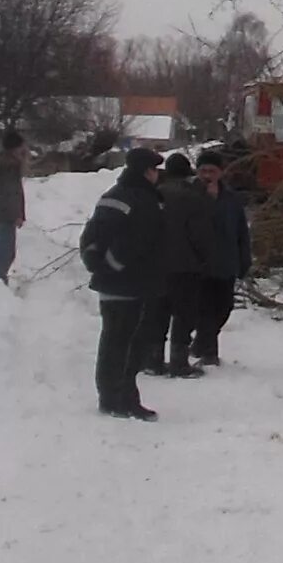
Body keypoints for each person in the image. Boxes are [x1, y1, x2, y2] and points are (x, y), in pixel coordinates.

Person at [78, 146, 167, 420]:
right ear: (146, 171)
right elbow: (137, 242)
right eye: (154, 170)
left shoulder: (112, 195)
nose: (157, 175)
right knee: (127, 344)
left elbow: (91, 236)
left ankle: (112, 397)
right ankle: (122, 399)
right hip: (132, 282)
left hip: (111, 282)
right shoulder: (144, 200)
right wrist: (116, 266)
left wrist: (99, 265)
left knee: (113, 340)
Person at [144, 151, 214, 376]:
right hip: (186, 266)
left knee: (158, 312)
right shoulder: (193, 198)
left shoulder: (153, 195)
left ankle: (153, 359)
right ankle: (179, 361)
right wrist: (204, 258)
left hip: (157, 266)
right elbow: (200, 235)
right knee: (184, 314)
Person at [189, 148, 251, 366]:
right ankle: (209, 353)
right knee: (205, 310)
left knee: (224, 308)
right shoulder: (189, 195)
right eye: (203, 170)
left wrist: (244, 260)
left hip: (226, 263)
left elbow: (241, 232)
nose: (207, 175)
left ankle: (201, 343)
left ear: (220, 173)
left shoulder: (231, 199)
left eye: (212, 171)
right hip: (199, 265)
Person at [0, 130, 29, 284]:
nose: (24, 149)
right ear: (15, 147)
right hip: (5, 215)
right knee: (5, 253)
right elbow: (12, 192)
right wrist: (17, 215)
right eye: (22, 146)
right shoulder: (11, 165)